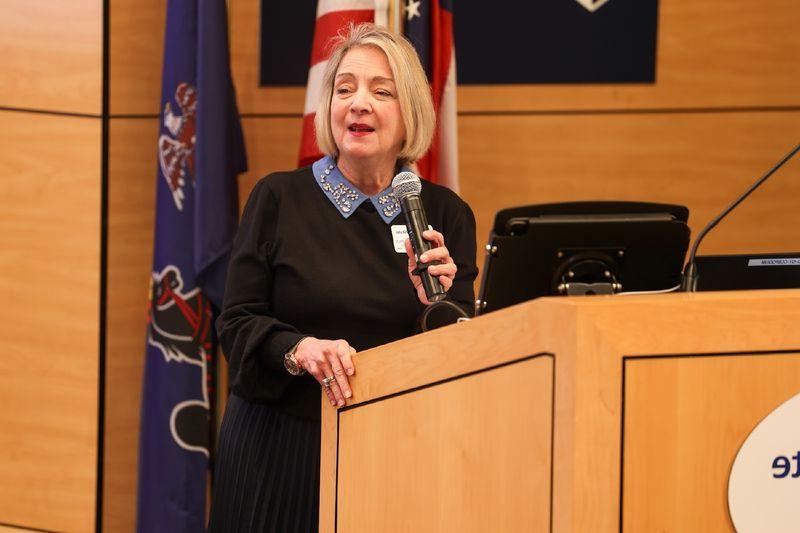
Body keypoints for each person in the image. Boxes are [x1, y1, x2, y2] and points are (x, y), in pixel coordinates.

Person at [208, 23, 477, 532]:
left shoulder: (445, 215)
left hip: (397, 450)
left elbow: (460, 361)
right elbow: (236, 323)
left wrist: (434, 303)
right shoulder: (278, 199)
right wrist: (297, 348)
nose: (358, 104)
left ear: (411, 115)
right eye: (344, 87)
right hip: (278, 449)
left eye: (381, 91)